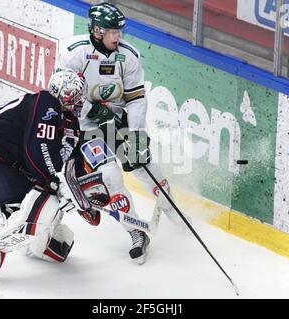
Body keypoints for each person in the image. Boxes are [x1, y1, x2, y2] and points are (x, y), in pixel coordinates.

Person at [56, 2, 189, 265]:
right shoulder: (74, 53)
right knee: (111, 175)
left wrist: (136, 135)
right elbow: (61, 92)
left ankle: (171, 207)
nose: (117, 36)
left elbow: (137, 99)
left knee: (144, 165)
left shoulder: (128, 55)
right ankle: (136, 232)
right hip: (88, 129)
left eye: (119, 31)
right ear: (96, 31)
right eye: (111, 31)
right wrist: (92, 109)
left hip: (119, 122)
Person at [0, 68, 94, 270]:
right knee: (18, 206)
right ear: (59, 91)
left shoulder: (70, 122)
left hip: (7, 161)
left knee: (44, 198)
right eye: (73, 95)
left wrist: (85, 192)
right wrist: (55, 180)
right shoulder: (47, 103)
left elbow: (71, 159)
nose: (78, 101)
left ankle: (39, 243)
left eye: (79, 96)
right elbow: (38, 149)